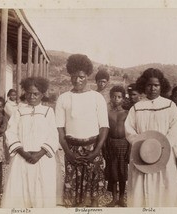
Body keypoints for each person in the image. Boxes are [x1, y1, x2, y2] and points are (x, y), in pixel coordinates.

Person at [124, 68, 177, 207]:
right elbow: (129, 130)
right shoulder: (137, 107)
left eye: (156, 85)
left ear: (161, 86)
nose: (152, 88)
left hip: (164, 154)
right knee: (140, 190)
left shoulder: (169, 105)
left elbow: (176, 127)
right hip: (141, 154)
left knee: (164, 189)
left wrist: (163, 145)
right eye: (149, 85)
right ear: (143, 86)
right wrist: (141, 145)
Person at [55, 54, 109, 207]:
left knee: (93, 195)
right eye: (74, 76)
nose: (77, 80)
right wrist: (68, 153)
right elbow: (60, 129)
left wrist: (96, 152)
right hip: (72, 149)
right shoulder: (63, 98)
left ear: (87, 76)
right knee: (73, 195)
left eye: (81, 77)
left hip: (93, 148)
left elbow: (104, 127)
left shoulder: (97, 97)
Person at [1, 77, 59, 208]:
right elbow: (11, 133)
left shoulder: (48, 112)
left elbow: (53, 135)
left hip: (42, 159)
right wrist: (23, 153)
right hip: (22, 157)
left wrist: (39, 154)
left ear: (42, 95)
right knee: (20, 191)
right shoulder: (19, 111)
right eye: (28, 93)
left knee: (41, 191)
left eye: (36, 94)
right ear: (24, 93)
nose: (32, 96)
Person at [105, 85, 129, 207]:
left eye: (119, 97)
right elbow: (104, 131)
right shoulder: (107, 113)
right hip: (111, 143)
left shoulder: (127, 113)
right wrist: (105, 149)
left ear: (123, 99)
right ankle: (113, 198)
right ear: (110, 98)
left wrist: (129, 150)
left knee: (122, 173)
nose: (116, 99)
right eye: (114, 97)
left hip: (124, 144)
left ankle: (121, 198)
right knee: (113, 173)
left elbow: (130, 132)